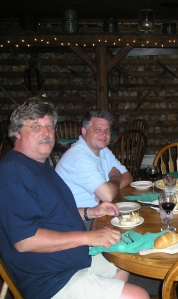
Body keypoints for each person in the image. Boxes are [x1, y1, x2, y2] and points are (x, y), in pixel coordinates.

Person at [0, 98, 149, 299]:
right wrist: (88, 237)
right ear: (16, 132)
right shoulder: (14, 174)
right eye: (36, 127)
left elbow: (54, 214)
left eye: (49, 126)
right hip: (50, 279)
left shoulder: (40, 165)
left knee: (123, 261)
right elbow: (26, 240)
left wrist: (91, 212)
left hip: (71, 258)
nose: (46, 133)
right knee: (138, 296)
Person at [56, 109, 133, 210]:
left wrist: (109, 188)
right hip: (78, 220)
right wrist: (115, 177)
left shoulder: (104, 151)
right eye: (97, 129)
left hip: (99, 211)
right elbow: (108, 196)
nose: (104, 134)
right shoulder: (79, 157)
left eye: (107, 130)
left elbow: (128, 177)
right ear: (84, 131)